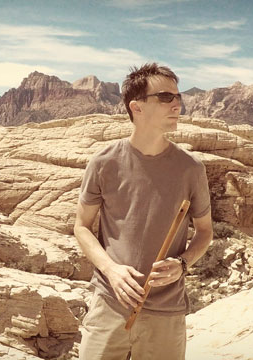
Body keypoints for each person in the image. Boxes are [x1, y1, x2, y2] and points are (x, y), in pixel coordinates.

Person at [74, 63, 213, 360]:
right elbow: (82, 226)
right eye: (165, 97)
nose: (177, 104)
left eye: (178, 97)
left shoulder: (191, 169)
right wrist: (111, 270)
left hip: (166, 312)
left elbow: (204, 232)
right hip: (109, 304)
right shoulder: (104, 162)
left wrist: (183, 264)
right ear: (136, 107)